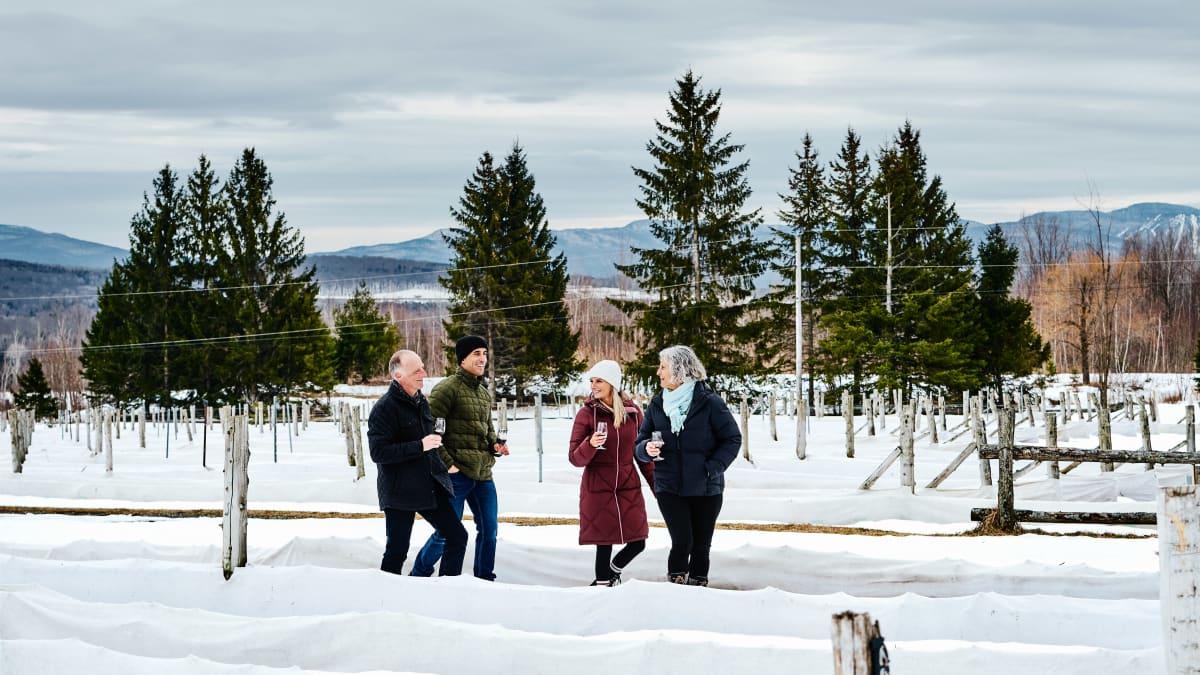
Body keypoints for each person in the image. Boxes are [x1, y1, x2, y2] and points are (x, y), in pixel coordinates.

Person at [635, 345, 740, 587]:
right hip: (669, 485)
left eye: (663, 367)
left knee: (701, 545)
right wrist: (646, 450)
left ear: (680, 371)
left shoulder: (709, 402)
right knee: (682, 541)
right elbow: (640, 441)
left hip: (706, 487)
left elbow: (732, 439)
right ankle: (676, 587)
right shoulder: (658, 404)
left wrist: (712, 468)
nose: (658, 373)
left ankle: (698, 588)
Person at [410, 335, 509, 580]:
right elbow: (431, 430)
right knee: (446, 532)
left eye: (484, 353)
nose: (482, 358)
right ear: (462, 358)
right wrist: (449, 465)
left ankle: (484, 578)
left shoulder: (484, 394)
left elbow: (487, 431)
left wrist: (495, 446)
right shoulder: (446, 389)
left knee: (490, 531)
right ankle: (419, 573)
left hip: (483, 474)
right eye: (476, 353)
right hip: (456, 475)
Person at [367, 349, 468, 576]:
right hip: (400, 490)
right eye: (416, 371)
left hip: (428, 485)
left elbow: (429, 442)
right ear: (398, 376)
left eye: (422, 366)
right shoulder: (384, 409)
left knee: (457, 537)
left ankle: (448, 588)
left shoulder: (421, 401)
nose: (424, 372)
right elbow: (378, 452)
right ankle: (385, 598)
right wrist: (420, 446)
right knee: (397, 551)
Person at [568, 360, 655, 586]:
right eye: (592, 381)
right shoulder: (586, 414)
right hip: (597, 485)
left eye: (599, 381)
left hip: (628, 483)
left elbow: (642, 455)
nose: (593, 386)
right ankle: (602, 584)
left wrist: (659, 489)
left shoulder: (633, 413)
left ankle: (611, 572)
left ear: (612, 384)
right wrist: (591, 444)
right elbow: (575, 459)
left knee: (639, 541)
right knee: (603, 541)